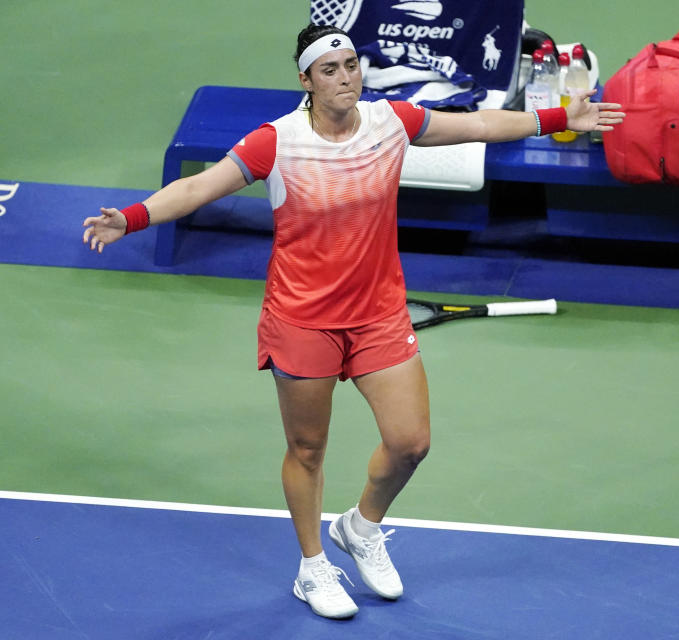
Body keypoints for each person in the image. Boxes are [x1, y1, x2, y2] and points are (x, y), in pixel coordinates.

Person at [82, 24, 624, 619]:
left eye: (350, 65)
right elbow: (198, 186)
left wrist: (559, 118)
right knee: (308, 449)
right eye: (330, 70)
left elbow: (476, 126)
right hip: (303, 320)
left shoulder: (391, 122)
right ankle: (313, 567)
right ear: (306, 81)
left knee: (410, 442)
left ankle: (361, 528)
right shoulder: (277, 142)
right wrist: (130, 219)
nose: (345, 77)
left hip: (378, 312)